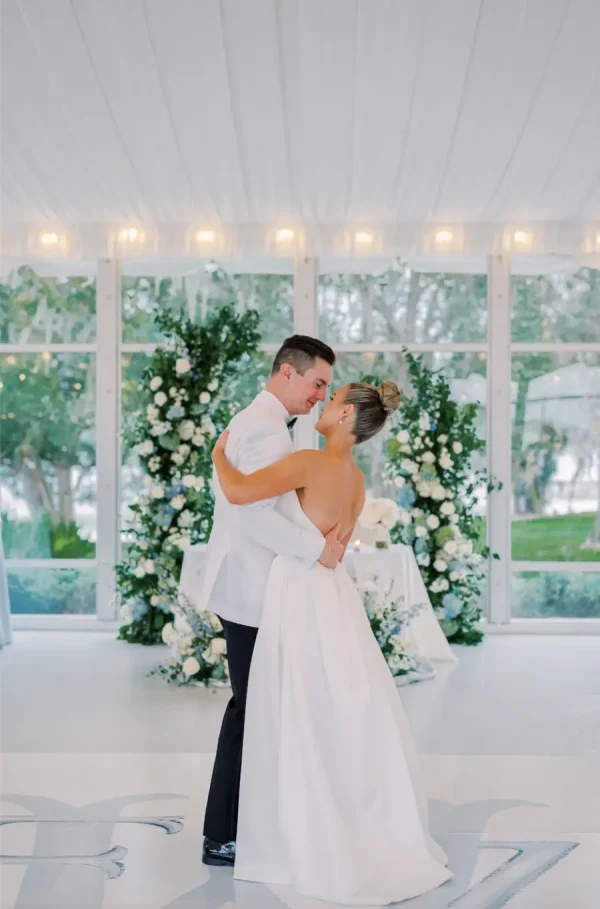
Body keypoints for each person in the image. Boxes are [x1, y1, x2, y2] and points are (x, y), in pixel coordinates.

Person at [211, 380, 453, 905]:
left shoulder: (308, 463)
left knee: (294, 711)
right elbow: (335, 549)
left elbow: (237, 492)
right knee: (337, 709)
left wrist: (218, 452)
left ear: (345, 416)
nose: (321, 403)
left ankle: (299, 828)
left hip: (297, 596)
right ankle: (349, 816)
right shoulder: (356, 480)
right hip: (334, 599)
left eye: (332, 397)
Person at [201, 335, 343, 868]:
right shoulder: (263, 430)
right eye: (317, 383)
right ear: (288, 371)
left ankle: (242, 826)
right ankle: (222, 835)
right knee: (249, 709)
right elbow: (251, 513)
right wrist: (316, 550)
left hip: (253, 585)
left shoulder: (258, 423)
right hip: (251, 589)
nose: (320, 396)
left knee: (255, 707)